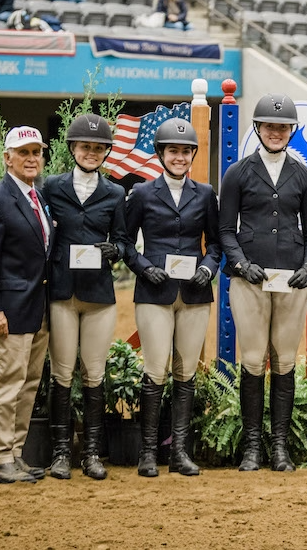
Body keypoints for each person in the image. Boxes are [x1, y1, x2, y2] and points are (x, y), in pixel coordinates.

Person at [219, 94, 307, 473]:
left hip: (291, 281)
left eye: (282, 127)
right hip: (250, 280)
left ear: (290, 131)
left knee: (285, 361)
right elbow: (226, 230)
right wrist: (242, 265)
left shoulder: (303, 175)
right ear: (259, 129)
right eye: (269, 126)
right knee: (252, 359)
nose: (276, 132)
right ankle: (251, 447)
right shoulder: (238, 173)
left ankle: (279, 446)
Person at [124, 117, 221, 478]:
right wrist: (143, 266)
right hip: (154, 291)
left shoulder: (206, 194)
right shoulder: (143, 193)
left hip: (194, 293)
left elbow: (216, 244)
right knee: (155, 370)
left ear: (192, 154)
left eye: (185, 151)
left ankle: (179, 451)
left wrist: (208, 268)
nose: (179, 157)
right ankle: (147, 452)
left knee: (187, 372)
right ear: (161, 153)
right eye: (173, 151)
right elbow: (123, 241)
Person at [41, 115, 127, 481]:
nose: (91, 152)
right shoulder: (51, 187)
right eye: (85, 146)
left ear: (106, 152)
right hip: (62, 291)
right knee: (62, 373)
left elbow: (123, 239)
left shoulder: (114, 194)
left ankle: (91, 453)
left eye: (98, 148)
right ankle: (61, 452)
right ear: (73, 148)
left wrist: (114, 249)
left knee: (94, 373)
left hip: (98, 295)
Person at [0, 126, 52, 484]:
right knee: (6, 384)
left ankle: (15, 454)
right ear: (8, 158)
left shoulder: (37, 196)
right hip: (10, 312)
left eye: (36, 152)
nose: (31, 158)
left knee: (28, 383)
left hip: (37, 309)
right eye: (23, 153)